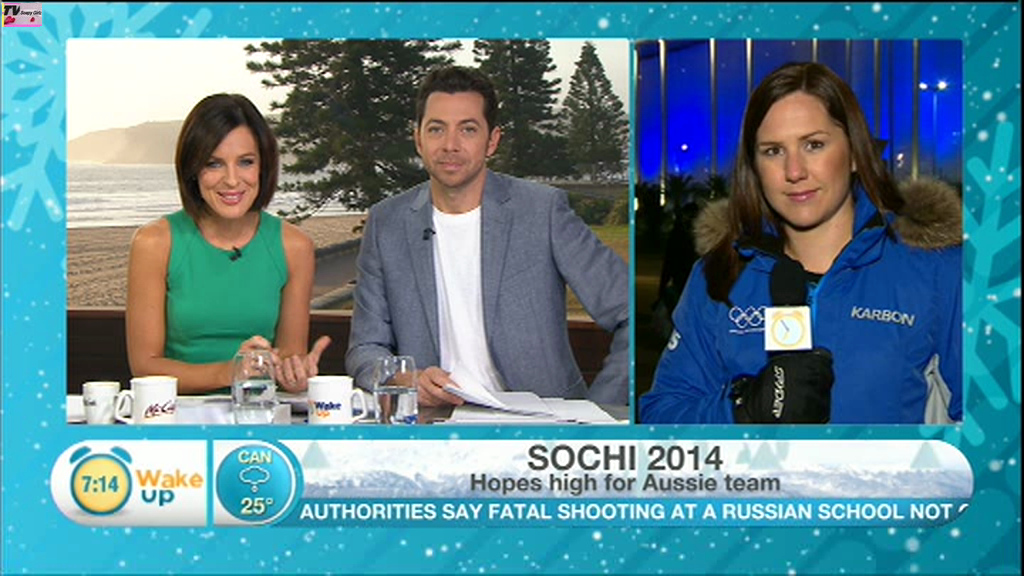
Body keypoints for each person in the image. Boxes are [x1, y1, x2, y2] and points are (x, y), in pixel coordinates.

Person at [639, 62, 962, 424]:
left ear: (855, 154)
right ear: (754, 166)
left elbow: (993, 426)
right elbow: (661, 417)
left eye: (814, 145)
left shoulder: (936, 269)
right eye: (773, 151)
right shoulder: (719, 274)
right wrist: (743, 410)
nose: (794, 171)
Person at [345, 66, 629, 407]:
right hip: (437, 423)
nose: (450, 145)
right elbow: (365, 349)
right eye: (436, 129)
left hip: (543, 424)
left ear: (492, 141)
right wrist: (402, 378)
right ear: (418, 138)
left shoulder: (542, 211)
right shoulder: (386, 223)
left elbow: (630, 311)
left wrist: (600, 410)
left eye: (467, 129)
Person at [126, 93, 330, 394]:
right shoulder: (154, 243)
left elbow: (288, 357)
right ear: (192, 170)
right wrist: (230, 371)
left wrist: (294, 374)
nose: (232, 180)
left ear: (263, 166)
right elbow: (145, 366)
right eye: (214, 164)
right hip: (177, 413)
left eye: (246, 162)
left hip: (258, 412)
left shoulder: (295, 246)